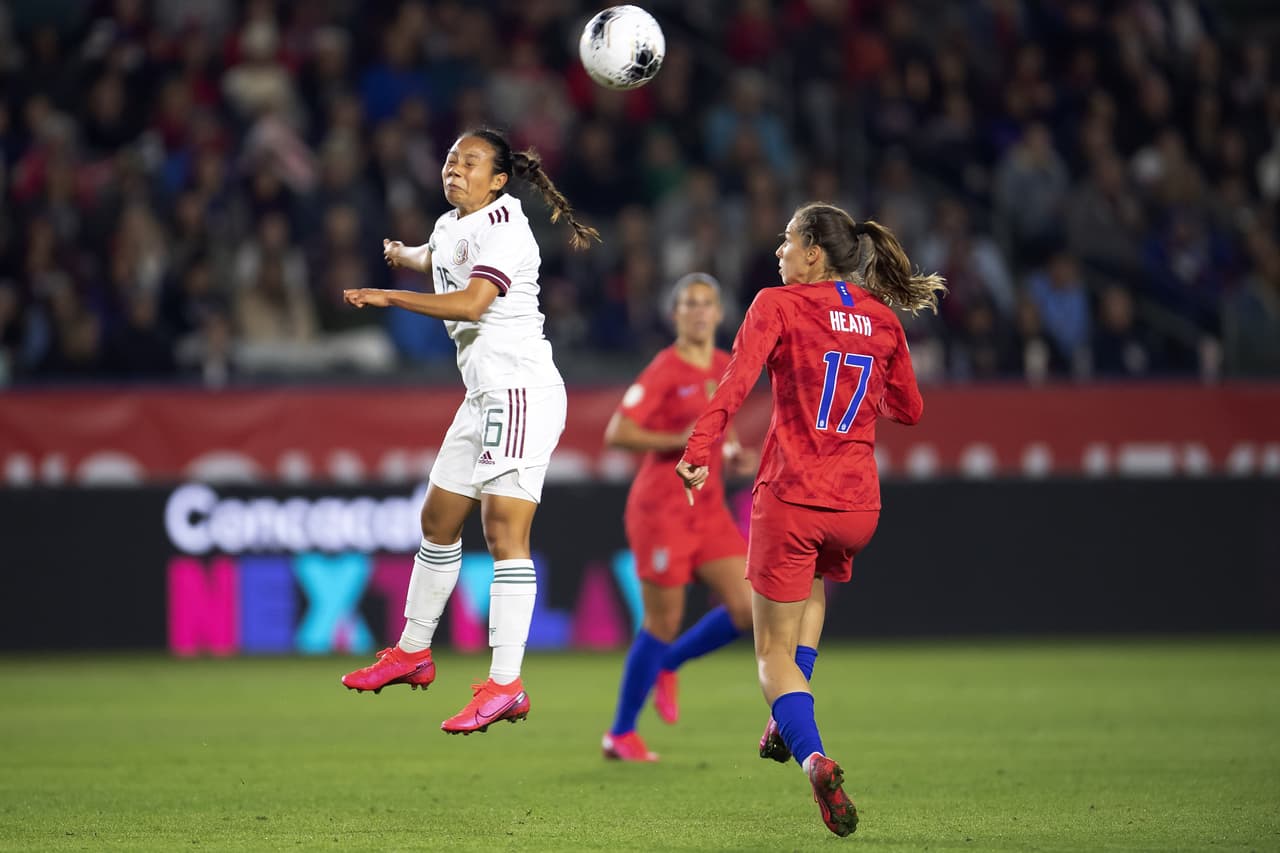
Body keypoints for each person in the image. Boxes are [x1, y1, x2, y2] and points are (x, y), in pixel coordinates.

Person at [676, 203, 945, 836]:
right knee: (814, 590)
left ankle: (813, 755)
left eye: (787, 241)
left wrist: (697, 450)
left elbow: (735, 384)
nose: (778, 252)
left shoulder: (777, 305)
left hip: (793, 495)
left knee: (769, 651)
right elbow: (910, 408)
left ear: (814, 254)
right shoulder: (881, 319)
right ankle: (785, 720)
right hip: (856, 505)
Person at [338, 128, 599, 734]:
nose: (455, 168)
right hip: (482, 395)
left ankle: (505, 684)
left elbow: (473, 302)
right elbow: (443, 253)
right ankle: (413, 652)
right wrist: (408, 255)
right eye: (452, 158)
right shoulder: (452, 222)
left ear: (499, 180)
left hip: (521, 389)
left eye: (471, 161)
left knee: (504, 530)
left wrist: (390, 295)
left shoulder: (507, 227)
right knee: (437, 519)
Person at [601, 273, 758, 762]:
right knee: (662, 621)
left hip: (707, 507)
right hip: (662, 508)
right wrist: (680, 438)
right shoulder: (663, 370)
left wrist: (730, 452)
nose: (698, 311)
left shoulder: (723, 365)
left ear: (719, 313)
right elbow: (617, 432)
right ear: (675, 314)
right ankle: (621, 733)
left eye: (707, 303)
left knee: (749, 608)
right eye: (689, 303)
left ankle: (667, 665)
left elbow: (717, 431)